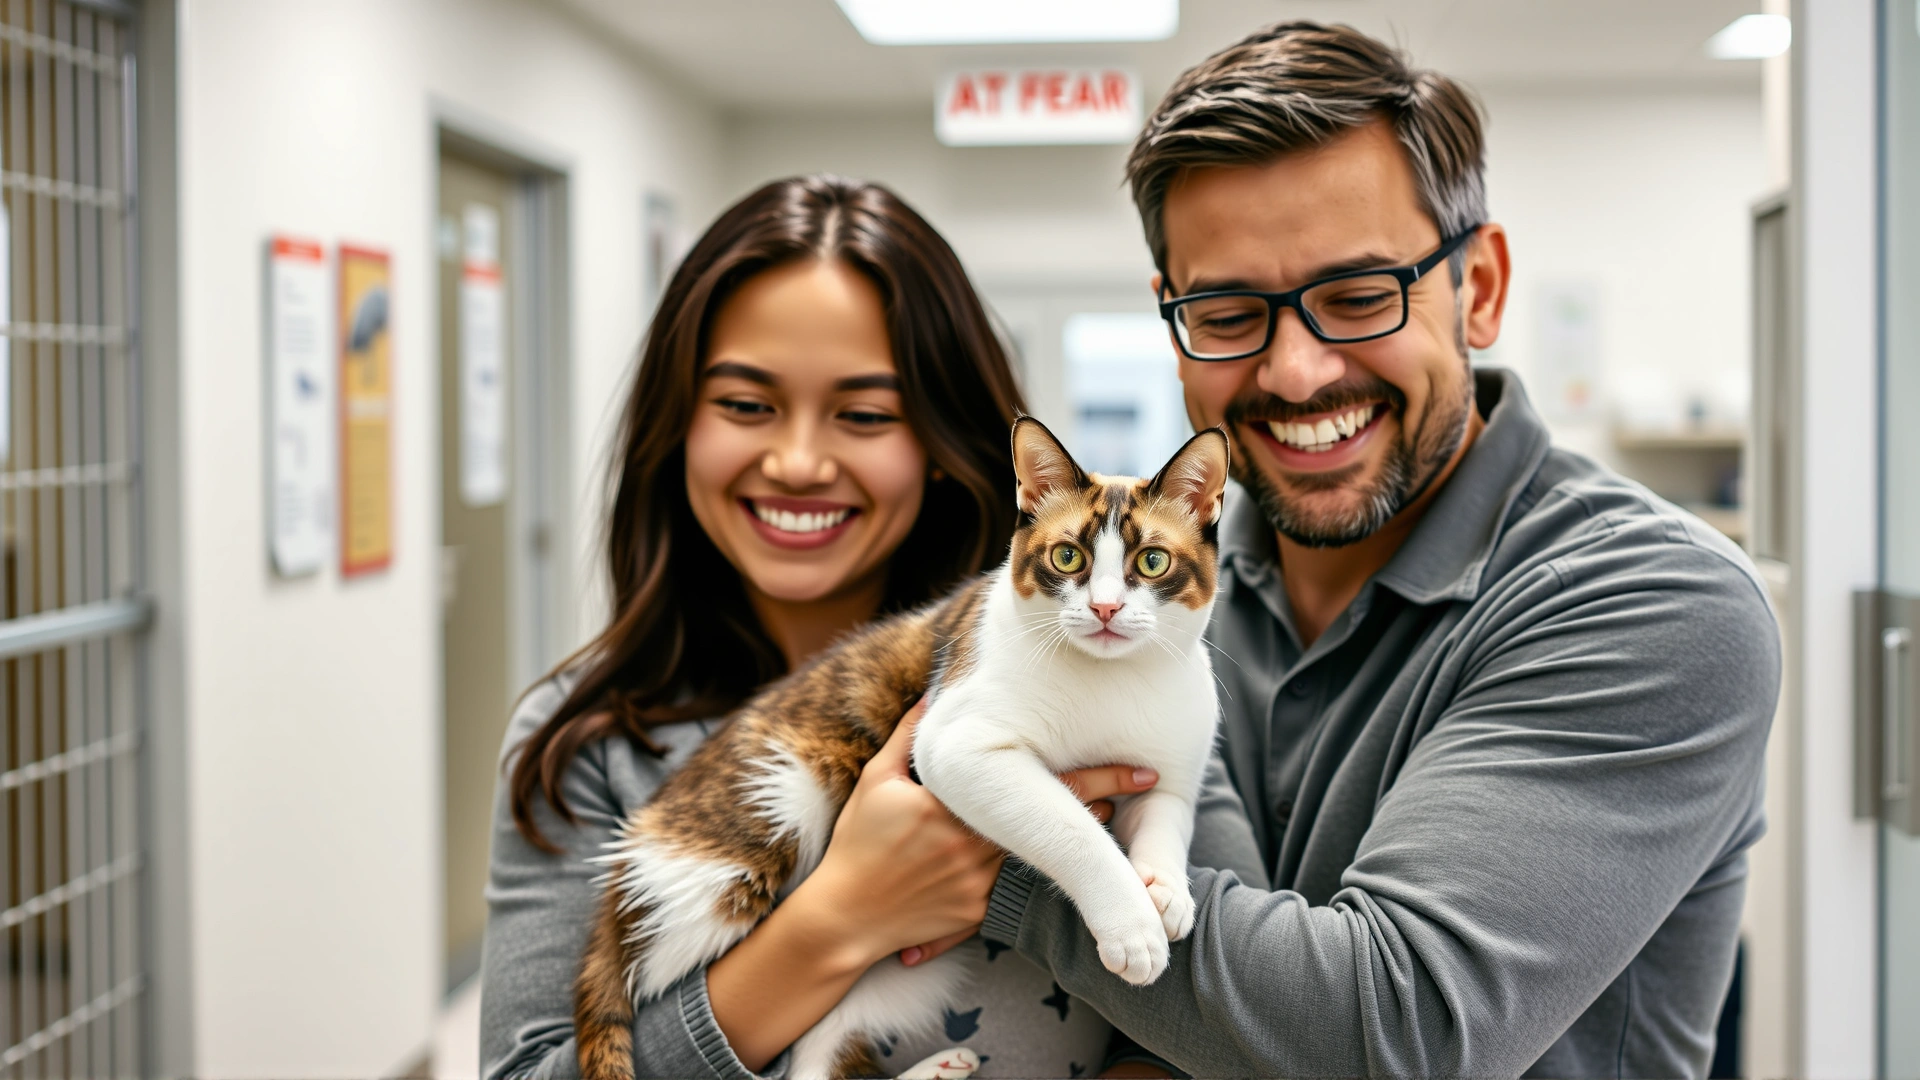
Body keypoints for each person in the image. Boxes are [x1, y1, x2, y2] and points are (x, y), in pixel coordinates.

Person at [966, 23, 1779, 1078]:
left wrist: (993, 843)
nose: (1298, 373)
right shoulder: (1164, 583)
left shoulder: (1651, 602)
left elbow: (1386, 1036)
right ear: (1176, 335)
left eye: (1358, 296)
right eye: (1226, 311)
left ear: (1478, 288)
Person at [479, 175, 1156, 1079]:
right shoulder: (582, 745)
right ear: (676, 429)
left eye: (865, 415)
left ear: (946, 446)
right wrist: (838, 919)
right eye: (746, 405)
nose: (797, 461)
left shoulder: (1104, 660)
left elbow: (1214, 1036)